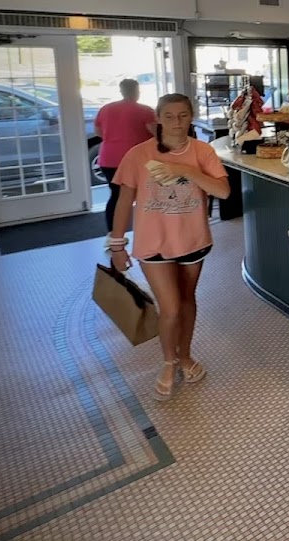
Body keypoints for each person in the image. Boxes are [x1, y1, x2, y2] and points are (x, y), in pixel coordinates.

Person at [107, 94, 230, 401]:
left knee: (187, 300)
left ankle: (185, 356)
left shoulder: (202, 151)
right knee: (171, 307)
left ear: (191, 117)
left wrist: (186, 170)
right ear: (158, 119)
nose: (177, 122)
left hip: (192, 240)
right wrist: (117, 244)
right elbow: (124, 200)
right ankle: (169, 362)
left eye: (183, 115)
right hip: (153, 243)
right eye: (170, 116)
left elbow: (223, 191)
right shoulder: (138, 154)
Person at [93, 79, 156, 233]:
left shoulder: (105, 109)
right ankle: (147, 230)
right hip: (137, 159)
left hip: (109, 159)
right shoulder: (144, 110)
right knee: (146, 194)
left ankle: (113, 234)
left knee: (116, 195)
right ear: (136, 91)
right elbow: (156, 133)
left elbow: (98, 132)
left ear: (121, 91)